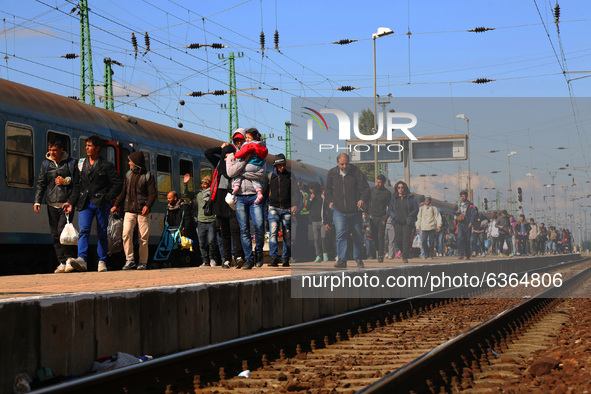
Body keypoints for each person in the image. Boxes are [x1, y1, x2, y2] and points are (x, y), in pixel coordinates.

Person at [64, 136, 122, 272]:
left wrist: (108, 197)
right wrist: (71, 202)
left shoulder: (106, 166)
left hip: (101, 203)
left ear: (97, 148)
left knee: (102, 232)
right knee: (83, 231)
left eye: (90, 146)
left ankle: (102, 261)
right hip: (84, 203)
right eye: (86, 146)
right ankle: (82, 259)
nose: (87, 148)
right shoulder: (80, 164)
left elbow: (118, 184)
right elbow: (77, 186)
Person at [34, 139, 80, 273]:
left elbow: (77, 184)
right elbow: (41, 183)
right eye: (50, 150)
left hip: (66, 204)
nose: (52, 152)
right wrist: (37, 201)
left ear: (61, 150)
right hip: (51, 203)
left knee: (63, 232)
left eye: (54, 150)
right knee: (55, 235)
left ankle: (69, 259)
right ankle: (62, 262)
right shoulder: (46, 164)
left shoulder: (71, 163)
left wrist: (66, 183)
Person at [226, 128, 267, 269]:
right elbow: (230, 172)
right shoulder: (232, 155)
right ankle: (249, 259)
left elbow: (260, 174)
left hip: (255, 194)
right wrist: (244, 163)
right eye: (236, 139)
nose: (239, 141)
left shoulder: (258, 153)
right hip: (240, 197)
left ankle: (259, 252)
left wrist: (241, 172)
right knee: (244, 229)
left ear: (246, 139)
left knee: (259, 226)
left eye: (241, 139)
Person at [205, 133, 246, 269]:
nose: (228, 157)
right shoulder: (218, 164)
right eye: (225, 155)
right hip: (220, 203)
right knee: (225, 232)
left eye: (230, 154)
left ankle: (239, 256)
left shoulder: (237, 165)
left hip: (234, 201)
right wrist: (222, 147)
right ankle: (227, 259)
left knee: (235, 230)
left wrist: (231, 150)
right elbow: (208, 152)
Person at [111, 151, 156, 270]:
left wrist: (148, 205)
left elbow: (152, 194)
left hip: (143, 211)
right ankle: (129, 260)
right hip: (129, 210)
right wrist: (116, 205)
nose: (129, 163)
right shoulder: (128, 175)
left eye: (130, 161)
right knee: (126, 234)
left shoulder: (148, 176)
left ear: (136, 163)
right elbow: (123, 192)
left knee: (143, 238)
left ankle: (142, 262)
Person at [324, 153, 370, 268]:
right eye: (342, 164)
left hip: (355, 210)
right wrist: (330, 202)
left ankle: (358, 258)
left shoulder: (356, 172)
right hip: (339, 210)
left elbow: (365, 189)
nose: (344, 166)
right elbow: (327, 190)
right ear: (337, 163)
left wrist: (362, 199)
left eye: (347, 164)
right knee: (340, 233)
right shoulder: (332, 174)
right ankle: (341, 259)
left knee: (357, 235)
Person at [262, 153, 300, 267]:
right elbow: (264, 193)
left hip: (287, 209)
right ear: (275, 166)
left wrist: (295, 204)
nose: (282, 167)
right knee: (273, 233)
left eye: (283, 165)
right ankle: (273, 257)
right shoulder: (270, 177)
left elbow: (295, 192)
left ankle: (285, 258)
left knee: (287, 235)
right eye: (279, 165)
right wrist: (261, 206)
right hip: (273, 208)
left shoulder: (290, 176)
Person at [231, 128, 268, 204]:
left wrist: (235, 156)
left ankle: (236, 186)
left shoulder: (249, 145)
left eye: (248, 137)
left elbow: (242, 152)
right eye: (246, 137)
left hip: (249, 165)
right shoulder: (261, 145)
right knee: (255, 180)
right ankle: (259, 192)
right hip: (257, 165)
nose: (247, 139)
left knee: (239, 172)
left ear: (254, 138)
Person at [388, 181, 419, 264]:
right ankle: (403, 251)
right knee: (398, 239)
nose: (400, 189)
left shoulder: (410, 198)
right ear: (396, 189)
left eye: (402, 187)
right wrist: (393, 216)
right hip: (397, 221)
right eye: (399, 187)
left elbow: (416, 209)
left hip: (407, 222)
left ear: (405, 188)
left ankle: (405, 256)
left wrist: (410, 216)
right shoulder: (394, 198)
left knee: (406, 239)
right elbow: (390, 209)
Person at [368, 174, 392, 262]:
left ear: (384, 183)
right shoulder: (372, 191)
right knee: (374, 236)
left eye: (380, 182)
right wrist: (367, 212)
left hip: (382, 217)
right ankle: (379, 250)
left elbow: (390, 207)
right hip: (373, 217)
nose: (378, 184)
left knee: (380, 236)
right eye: (377, 182)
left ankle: (380, 254)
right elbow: (368, 202)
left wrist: (385, 217)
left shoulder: (387, 193)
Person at [415, 195, 441, 259]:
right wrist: (417, 226)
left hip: (431, 227)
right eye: (426, 199)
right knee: (423, 241)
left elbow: (438, 217)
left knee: (432, 242)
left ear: (430, 200)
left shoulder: (433, 208)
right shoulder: (421, 208)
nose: (427, 201)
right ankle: (426, 253)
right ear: (424, 201)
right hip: (423, 227)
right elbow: (419, 218)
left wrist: (439, 225)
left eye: (428, 199)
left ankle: (430, 254)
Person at [455, 190, 476, 260]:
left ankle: (467, 254)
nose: (462, 197)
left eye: (464, 196)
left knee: (467, 240)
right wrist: (456, 212)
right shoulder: (458, 204)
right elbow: (453, 211)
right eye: (462, 196)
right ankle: (460, 254)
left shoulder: (470, 205)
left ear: (466, 196)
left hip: (467, 224)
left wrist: (471, 222)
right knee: (460, 238)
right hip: (460, 224)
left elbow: (473, 214)